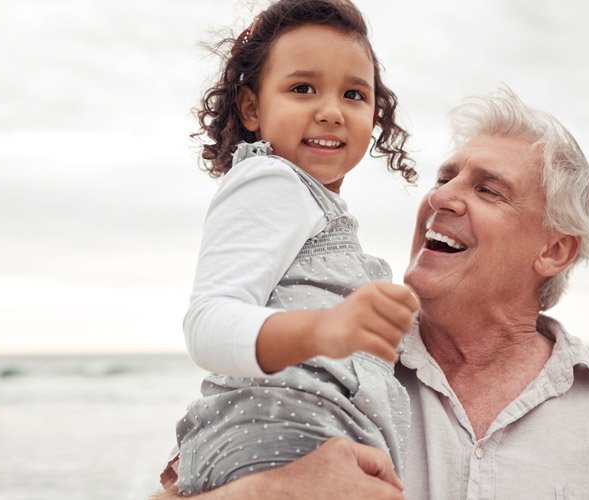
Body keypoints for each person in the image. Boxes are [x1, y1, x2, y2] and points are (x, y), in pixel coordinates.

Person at [160, 87, 589, 499]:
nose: (442, 197)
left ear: (555, 250)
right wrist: (270, 491)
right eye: (445, 178)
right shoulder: (314, 364)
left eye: (488, 189)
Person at [174, 0, 421, 495]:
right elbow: (208, 323)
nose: (330, 111)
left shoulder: (312, 208)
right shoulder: (272, 179)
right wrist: (323, 329)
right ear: (252, 108)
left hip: (307, 444)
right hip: (275, 443)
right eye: (303, 88)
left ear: (374, 115)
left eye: (353, 94)